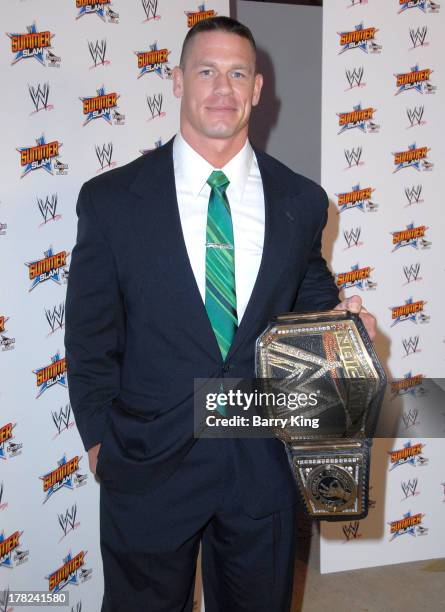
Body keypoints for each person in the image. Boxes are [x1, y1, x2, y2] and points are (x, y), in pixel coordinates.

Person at [65, 16, 376, 612]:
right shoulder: (110, 201)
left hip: (260, 455)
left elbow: (308, 296)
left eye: (238, 74)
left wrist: (342, 322)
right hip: (149, 457)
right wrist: (100, 437)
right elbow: (89, 335)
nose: (222, 89)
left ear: (258, 90)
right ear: (179, 81)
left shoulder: (301, 200)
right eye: (206, 71)